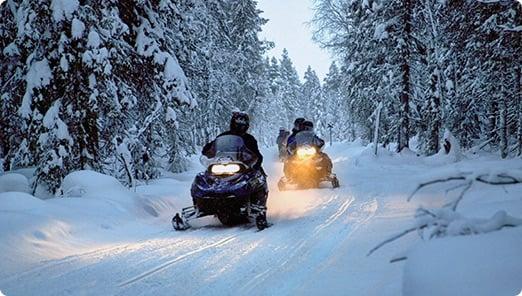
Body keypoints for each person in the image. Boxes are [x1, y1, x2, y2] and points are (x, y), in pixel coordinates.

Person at [202, 112, 268, 217]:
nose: (240, 126)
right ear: (233, 122)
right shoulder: (224, 136)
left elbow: (257, 154)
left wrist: (255, 163)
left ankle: (259, 206)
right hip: (223, 165)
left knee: (258, 177)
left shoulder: (249, 139)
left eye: (242, 123)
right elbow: (211, 148)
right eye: (238, 122)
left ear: (246, 125)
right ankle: (202, 205)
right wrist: (208, 149)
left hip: (244, 167)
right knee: (203, 178)